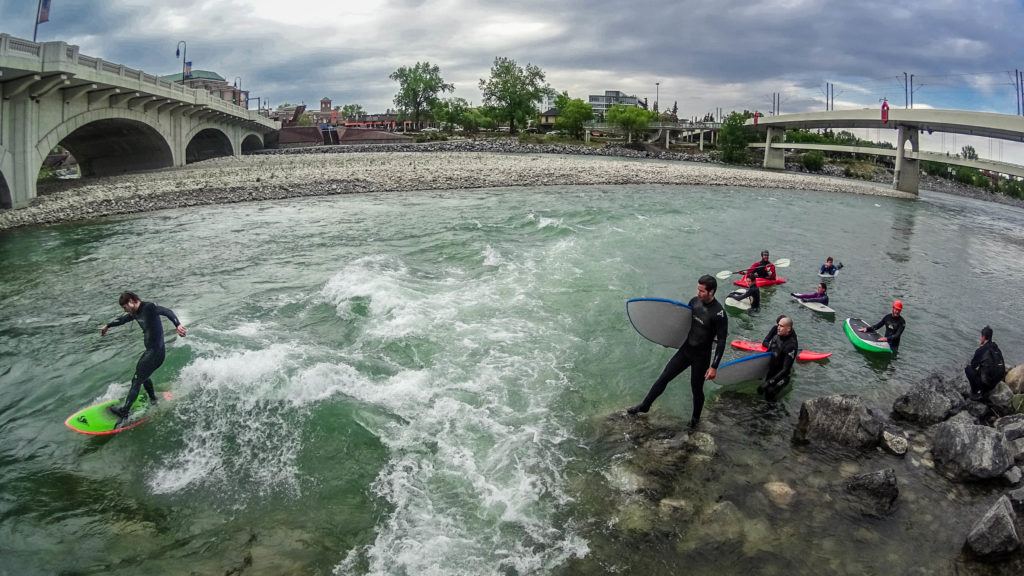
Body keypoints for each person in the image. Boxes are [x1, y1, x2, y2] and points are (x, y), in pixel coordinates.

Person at [627, 275, 729, 429]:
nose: (698, 293)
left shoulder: (719, 314)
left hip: (701, 357)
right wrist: (670, 339)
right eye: (698, 289)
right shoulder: (694, 302)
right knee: (664, 377)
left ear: (711, 291)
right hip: (686, 350)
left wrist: (714, 367)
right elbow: (682, 324)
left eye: (702, 291)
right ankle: (645, 405)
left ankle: (695, 421)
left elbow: (721, 341)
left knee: (696, 389)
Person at [100, 292, 187, 424]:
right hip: (151, 352)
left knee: (136, 380)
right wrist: (108, 325)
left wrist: (178, 325)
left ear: (131, 301)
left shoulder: (149, 307)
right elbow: (123, 320)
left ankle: (124, 412)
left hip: (155, 353)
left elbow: (167, 311)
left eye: (125, 307)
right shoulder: (135, 312)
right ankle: (153, 400)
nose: (125, 310)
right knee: (143, 376)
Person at [758, 315, 798, 400]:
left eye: (781, 326)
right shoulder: (776, 337)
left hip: (782, 377)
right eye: (778, 325)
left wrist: (769, 382)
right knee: (761, 393)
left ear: (788, 329)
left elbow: (786, 369)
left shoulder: (791, 345)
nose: (778, 328)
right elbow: (768, 354)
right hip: (772, 372)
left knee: (770, 392)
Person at [966, 326, 1006, 401]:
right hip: (996, 382)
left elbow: (973, 365)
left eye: (981, 337)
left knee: (968, 369)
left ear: (983, 337)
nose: (980, 338)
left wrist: (979, 349)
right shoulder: (996, 348)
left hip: (987, 385)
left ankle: (975, 393)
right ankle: (986, 389)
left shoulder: (982, 350)